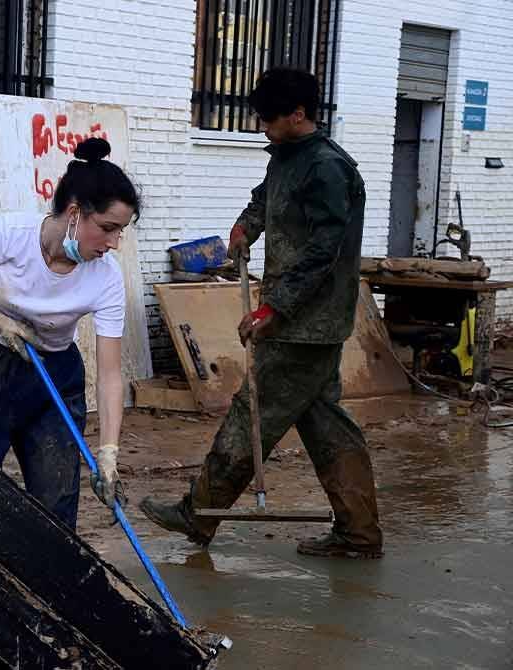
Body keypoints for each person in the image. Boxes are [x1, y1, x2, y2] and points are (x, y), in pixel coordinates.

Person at [140, 68, 384, 558]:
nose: (261, 127)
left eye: (268, 118)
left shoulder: (328, 169)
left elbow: (324, 251)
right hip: (300, 321)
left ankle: (198, 513)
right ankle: (358, 534)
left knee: (250, 412)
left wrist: (274, 306)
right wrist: (245, 226)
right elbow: (264, 201)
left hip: (303, 325)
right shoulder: (289, 159)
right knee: (325, 424)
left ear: (298, 115)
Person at [0, 137, 139, 529]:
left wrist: (109, 452)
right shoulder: (8, 234)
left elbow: (109, 372)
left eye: (121, 231)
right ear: (75, 213)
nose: (113, 243)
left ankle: (48, 585)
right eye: (108, 228)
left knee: (56, 503)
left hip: (53, 378)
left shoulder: (106, 278)